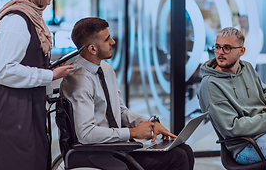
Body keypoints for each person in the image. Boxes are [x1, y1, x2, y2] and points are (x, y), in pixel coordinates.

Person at [60, 17, 194, 170]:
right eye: (107, 39)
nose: (113, 42)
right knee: (178, 157)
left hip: (117, 147)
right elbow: (86, 134)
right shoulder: (78, 80)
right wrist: (131, 133)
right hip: (97, 151)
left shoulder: (105, 69)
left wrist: (151, 123)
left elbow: (121, 112)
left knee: (185, 150)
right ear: (92, 48)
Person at [0, 0, 73, 170]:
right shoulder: (17, 20)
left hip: (23, 111)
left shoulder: (30, 16)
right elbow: (4, 70)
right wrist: (51, 75)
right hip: (13, 116)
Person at [198, 27, 266, 165]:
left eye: (227, 48)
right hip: (246, 146)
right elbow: (233, 128)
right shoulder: (210, 84)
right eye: (217, 47)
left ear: (241, 51)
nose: (220, 52)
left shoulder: (247, 68)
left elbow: (264, 93)